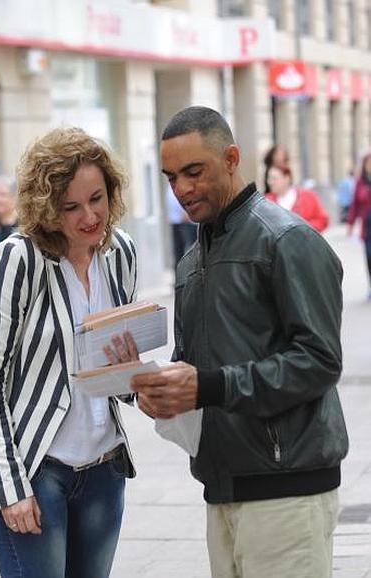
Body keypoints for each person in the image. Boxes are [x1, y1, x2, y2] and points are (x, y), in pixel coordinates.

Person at [131, 106, 348, 578]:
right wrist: (152, 388)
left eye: (194, 172)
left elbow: (320, 360)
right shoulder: (190, 262)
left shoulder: (286, 239)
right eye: (171, 178)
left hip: (288, 488)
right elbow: (193, 368)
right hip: (222, 487)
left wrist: (209, 386)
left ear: (231, 158)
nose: (182, 189)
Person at [0, 127, 138, 578]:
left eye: (97, 198)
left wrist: (133, 373)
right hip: (33, 472)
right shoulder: (18, 259)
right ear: (45, 206)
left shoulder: (120, 253)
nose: (89, 217)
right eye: (71, 206)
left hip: (103, 468)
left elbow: (114, 372)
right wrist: (8, 487)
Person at [266, 164, 329, 232]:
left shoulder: (308, 196)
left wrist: (304, 230)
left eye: (274, 178)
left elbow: (322, 219)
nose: (270, 182)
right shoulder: (266, 201)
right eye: (269, 178)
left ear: (287, 178)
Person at [347, 152, 371, 299]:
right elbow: (354, 204)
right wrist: (350, 224)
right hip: (367, 227)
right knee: (369, 257)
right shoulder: (360, 182)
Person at [166, 182, 197, 265]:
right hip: (175, 221)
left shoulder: (183, 183)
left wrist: (186, 212)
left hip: (185, 221)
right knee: (177, 250)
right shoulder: (171, 184)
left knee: (189, 248)